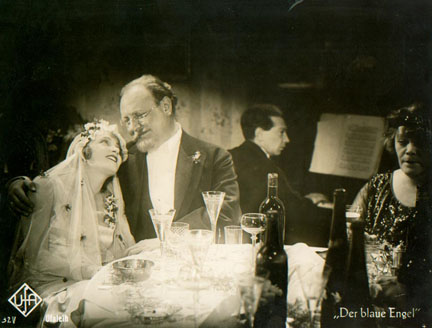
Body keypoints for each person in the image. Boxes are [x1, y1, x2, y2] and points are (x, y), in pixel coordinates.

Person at [8, 75, 241, 243]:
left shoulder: (216, 157)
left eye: (139, 116)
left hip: (192, 268)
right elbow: (73, 179)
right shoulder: (122, 157)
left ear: (167, 106)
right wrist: (24, 185)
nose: (132, 129)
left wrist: (169, 238)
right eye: (126, 120)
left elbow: (227, 212)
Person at [8, 120, 135, 324]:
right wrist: (95, 273)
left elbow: (123, 252)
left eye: (118, 148)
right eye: (105, 142)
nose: (115, 150)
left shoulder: (111, 201)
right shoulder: (47, 188)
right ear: (83, 151)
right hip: (43, 293)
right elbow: (28, 263)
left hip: (92, 286)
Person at [352, 104, 432, 325]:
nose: (410, 150)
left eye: (421, 142)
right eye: (403, 142)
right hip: (375, 304)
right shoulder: (376, 187)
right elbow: (350, 238)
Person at [229, 104, 328, 245]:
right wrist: (313, 201)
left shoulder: (230, 155)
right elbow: (294, 210)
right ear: (259, 134)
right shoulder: (267, 168)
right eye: (281, 132)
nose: (287, 139)